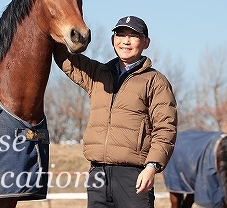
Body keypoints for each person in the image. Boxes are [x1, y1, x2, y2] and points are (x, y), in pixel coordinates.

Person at [53, 15, 178, 208]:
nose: (126, 41)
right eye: (120, 35)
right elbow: (65, 58)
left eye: (133, 36)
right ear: (113, 40)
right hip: (98, 175)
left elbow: (165, 129)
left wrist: (152, 167)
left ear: (146, 42)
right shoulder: (97, 74)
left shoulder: (156, 81)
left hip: (134, 177)